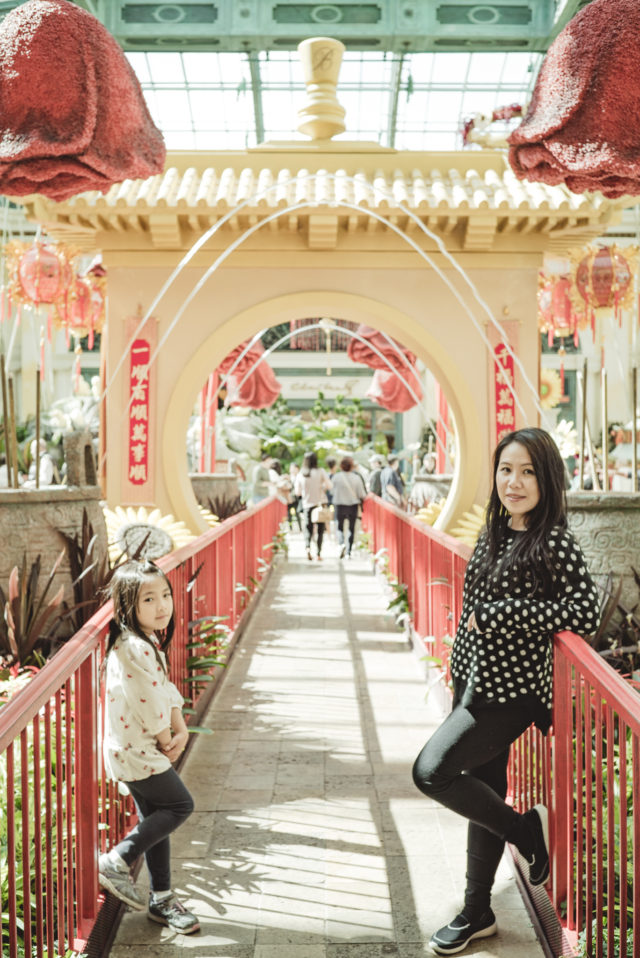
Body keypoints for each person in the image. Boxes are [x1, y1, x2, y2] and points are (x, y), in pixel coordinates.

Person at [412, 428, 599, 956]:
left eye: (527, 472)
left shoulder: (553, 540)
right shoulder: (497, 530)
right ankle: (478, 912)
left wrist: (503, 615)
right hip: (473, 685)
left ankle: (527, 834)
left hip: (509, 696)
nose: (513, 482)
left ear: (547, 479)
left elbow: (583, 611)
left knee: (431, 771)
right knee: (481, 790)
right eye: (505, 470)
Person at [99, 560, 200, 935]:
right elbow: (146, 700)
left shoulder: (145, 641)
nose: (162, 606)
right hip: (136, 748)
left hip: (136, 746)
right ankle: (117, 859)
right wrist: (166, 738)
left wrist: (180, 729)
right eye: (149, 599)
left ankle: (162, 899)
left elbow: (163, 691)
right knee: (179, 805)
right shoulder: (131, 648)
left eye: (166, 595)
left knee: (156, 819)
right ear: (128, 606)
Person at [294, 450, 331, 561]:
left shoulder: (301, 473)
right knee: (320, 529)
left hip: (307, 504)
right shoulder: (320, 471)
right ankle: (318, 554)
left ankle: (307, 548)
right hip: (320, 504)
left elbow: (297, 492)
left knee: (308, 528)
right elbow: (329, 485)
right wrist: (322, 488)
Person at [331, 456, 366, 558]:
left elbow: (332, 491)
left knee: (340, 527)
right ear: (351, 466)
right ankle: (348, 552)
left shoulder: (336, 477)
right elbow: (362, 494)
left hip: (339, 504)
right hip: (353, 505)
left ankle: (341, 544)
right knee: (351, 528)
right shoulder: (356, 478)